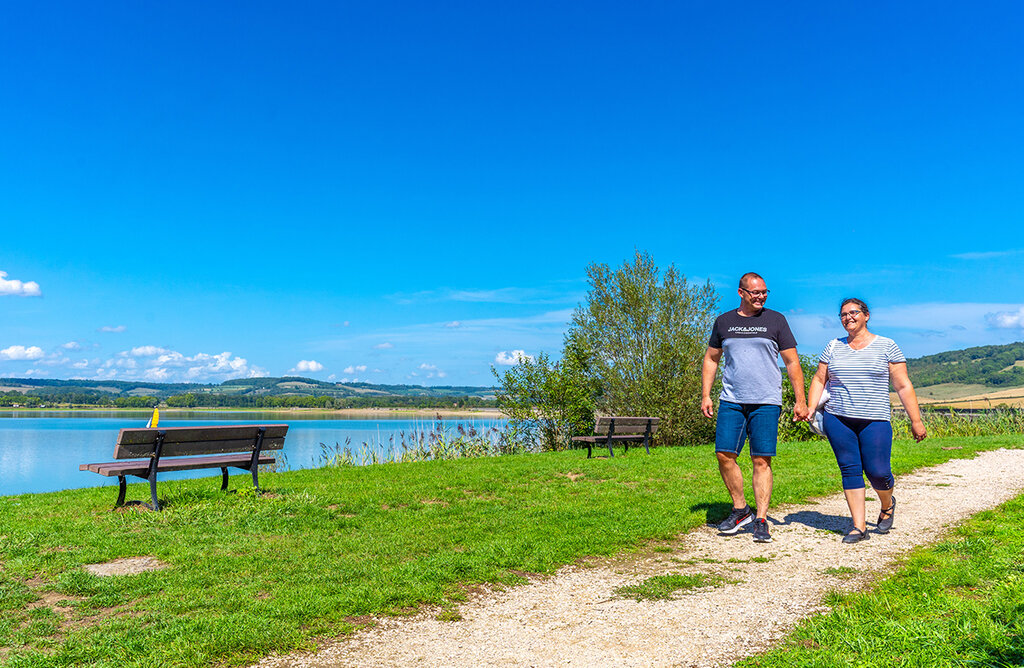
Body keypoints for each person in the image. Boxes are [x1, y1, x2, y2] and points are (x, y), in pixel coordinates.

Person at [805, 298, 927, 544]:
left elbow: (902, 385)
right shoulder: (833, 346)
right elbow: (819, 378)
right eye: (843, 314)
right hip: (838, 417)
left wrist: (916, 420)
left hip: (875, 419)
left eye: (853, 312)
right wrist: (810, 407)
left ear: (866, 315)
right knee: (850, 469)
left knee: (878, 472)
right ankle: (858, 527)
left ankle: (887, 503)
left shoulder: (887, 345)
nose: (848, 317)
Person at [702, 272, 807, 543]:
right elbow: (712, 359)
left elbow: (793, 363)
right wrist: (706, 394)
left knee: (761, 459)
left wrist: (801, 400)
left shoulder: (776, 320)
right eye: (755, 293)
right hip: (732, 399)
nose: (760, 297)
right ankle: (740, 510)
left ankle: (761, 519)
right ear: (741, 293)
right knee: (724, 454)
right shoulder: (724, 322)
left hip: (766, 401)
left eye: (764, 292)